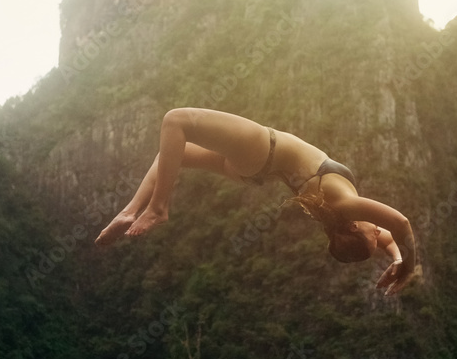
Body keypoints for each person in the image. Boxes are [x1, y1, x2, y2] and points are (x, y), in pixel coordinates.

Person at [96, 108, 418, 296]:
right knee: (172, 153)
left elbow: (400, 224)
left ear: (354, 227)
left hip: (265, 149)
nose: (378, 231)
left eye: (372, 232)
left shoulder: (348, 207)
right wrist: (396, 258)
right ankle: (129, 210)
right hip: (254, 171)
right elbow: (387, 238)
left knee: (176, 121)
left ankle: (157, 208)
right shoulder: (338, 222)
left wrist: (409, 265)